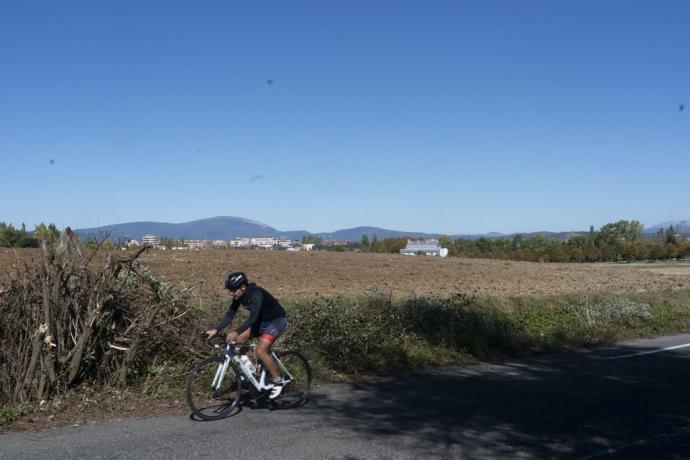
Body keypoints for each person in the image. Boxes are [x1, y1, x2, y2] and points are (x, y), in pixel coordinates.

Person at [205, 272, 288, 399]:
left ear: (242, 287)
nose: (230, 293)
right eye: (229, 290)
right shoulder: (239, 296)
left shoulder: (256, 293)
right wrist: (216, 329)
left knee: (260, 351)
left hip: (276, 321)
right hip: (262, 321)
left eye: (232, 290)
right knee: (239, 340)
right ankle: (252, 373)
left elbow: (253, 317)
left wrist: (236, 331)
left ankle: (277, 380)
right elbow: (230, 314)